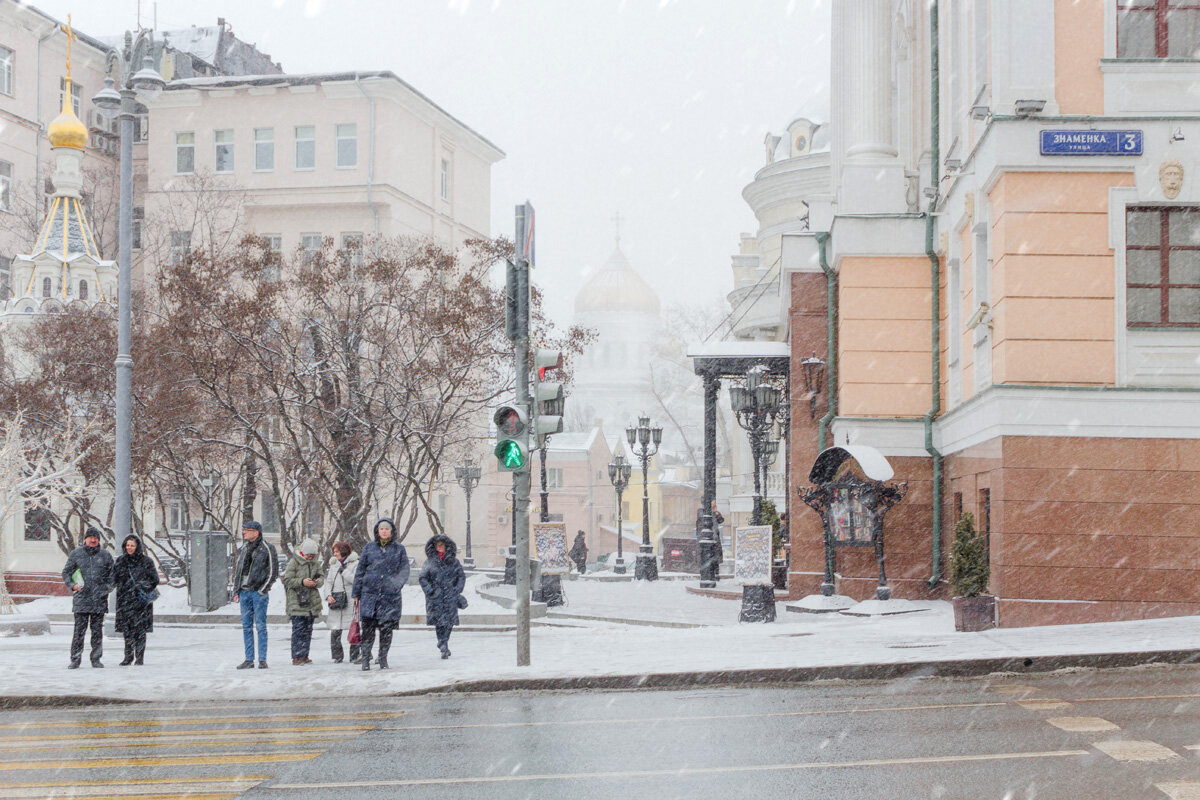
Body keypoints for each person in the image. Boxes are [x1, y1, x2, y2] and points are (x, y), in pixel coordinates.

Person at [352, 517, 410, 671]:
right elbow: (360, 571)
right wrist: (356, 593)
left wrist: (395, 584)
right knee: (368, 631)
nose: (384, 531)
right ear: (378, 531)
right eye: (381, 529)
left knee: (386, 631)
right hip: (370, 596)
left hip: (389, 597)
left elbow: (404, 570)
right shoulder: (369, 548)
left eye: (387, 529)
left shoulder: (399, 549)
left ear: (392, 531)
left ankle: (383, 659)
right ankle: (365, 659)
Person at [61, 527, 114, 669]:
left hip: (99, 600)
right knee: (79, 632)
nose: (93, 539)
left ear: (98, 540)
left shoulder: (105, 555)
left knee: (97, 633)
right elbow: (66, 572)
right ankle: (75, 659)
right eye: (90, 537)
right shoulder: (76, 554)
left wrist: (106, 589)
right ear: (85, 539)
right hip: (81, 600)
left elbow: (113, 576)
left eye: (95, 537)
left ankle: (96, 659)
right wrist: (72, 586)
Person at [232, 520, 278, 669]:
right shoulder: (244, 548)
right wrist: (236, 590)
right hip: (244, 592)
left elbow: (273, 571)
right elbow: (238, 571)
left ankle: (262, 659)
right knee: (246, 626)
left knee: (260, 626)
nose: (244, 532)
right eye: (244, 529)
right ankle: (249, 659)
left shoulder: (267, 548)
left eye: (247, 530)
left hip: (258, 593)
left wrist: (262, 589)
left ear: (256, 532)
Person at [419, 534, 466, 659]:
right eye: (437, 545)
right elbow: (423, 578)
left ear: (446, 546)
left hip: (450, 595)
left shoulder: (454, 562)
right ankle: (442, 643)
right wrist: (430, 591)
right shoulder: (429, 562)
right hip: (436, 597)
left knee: (449, 622)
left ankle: (444, 642)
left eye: (442, 545)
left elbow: (461, 576)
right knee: (439, 623)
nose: (439, 547)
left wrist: (457, 589)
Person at [113, 534, 157, 666]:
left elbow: (154, 579)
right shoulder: (120, 561)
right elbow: (114, 578)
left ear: (137, 546)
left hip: (141, 602)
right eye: (127, 545)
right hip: (125, 600)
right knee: (127, 631)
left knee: (140, 631)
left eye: (132, 545)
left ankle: (139, 657)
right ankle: (128, 656)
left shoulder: (146, 561)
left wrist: (142, 585)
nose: (129, 548)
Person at [283, 538, 325, 666]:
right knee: (298, 630)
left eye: (312, 556)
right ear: (302, 553)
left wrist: (316, 582)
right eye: (308, 555)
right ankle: (297, 656)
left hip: (310, 601)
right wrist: (302, 582)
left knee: (308, 630)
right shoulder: (293, 563)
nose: (310, 558)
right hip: (297, 600)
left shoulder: (315, 564)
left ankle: (305, 655)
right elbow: (287, 580)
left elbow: (321, 577)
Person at [325, 541, 359, 664]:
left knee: (353, 629)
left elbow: (356, 580)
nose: (334, 554)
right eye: (334, 552)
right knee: (335, 630)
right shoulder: (333, 565)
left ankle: (354, 655)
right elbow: (329, 581)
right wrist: (328, 595)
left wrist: (344, 571)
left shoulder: (355, 564)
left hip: (349, 600)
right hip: (336, 599)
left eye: (336, 552)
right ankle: (337, 656)